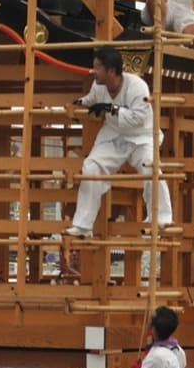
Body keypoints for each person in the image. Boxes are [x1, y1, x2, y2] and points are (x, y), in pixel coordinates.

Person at [65, 45, 172, 239]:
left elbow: (138, 118)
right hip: (114, 135)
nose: (93, 71)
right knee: (91, 168)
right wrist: (76, 104)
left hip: (143, 136)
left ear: (111, 71)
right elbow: (91, 100)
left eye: (98, 67)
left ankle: (161, 219)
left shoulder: (137, 86)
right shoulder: (98, 86)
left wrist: (110, 108)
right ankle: (82, 225)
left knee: (152, 169)